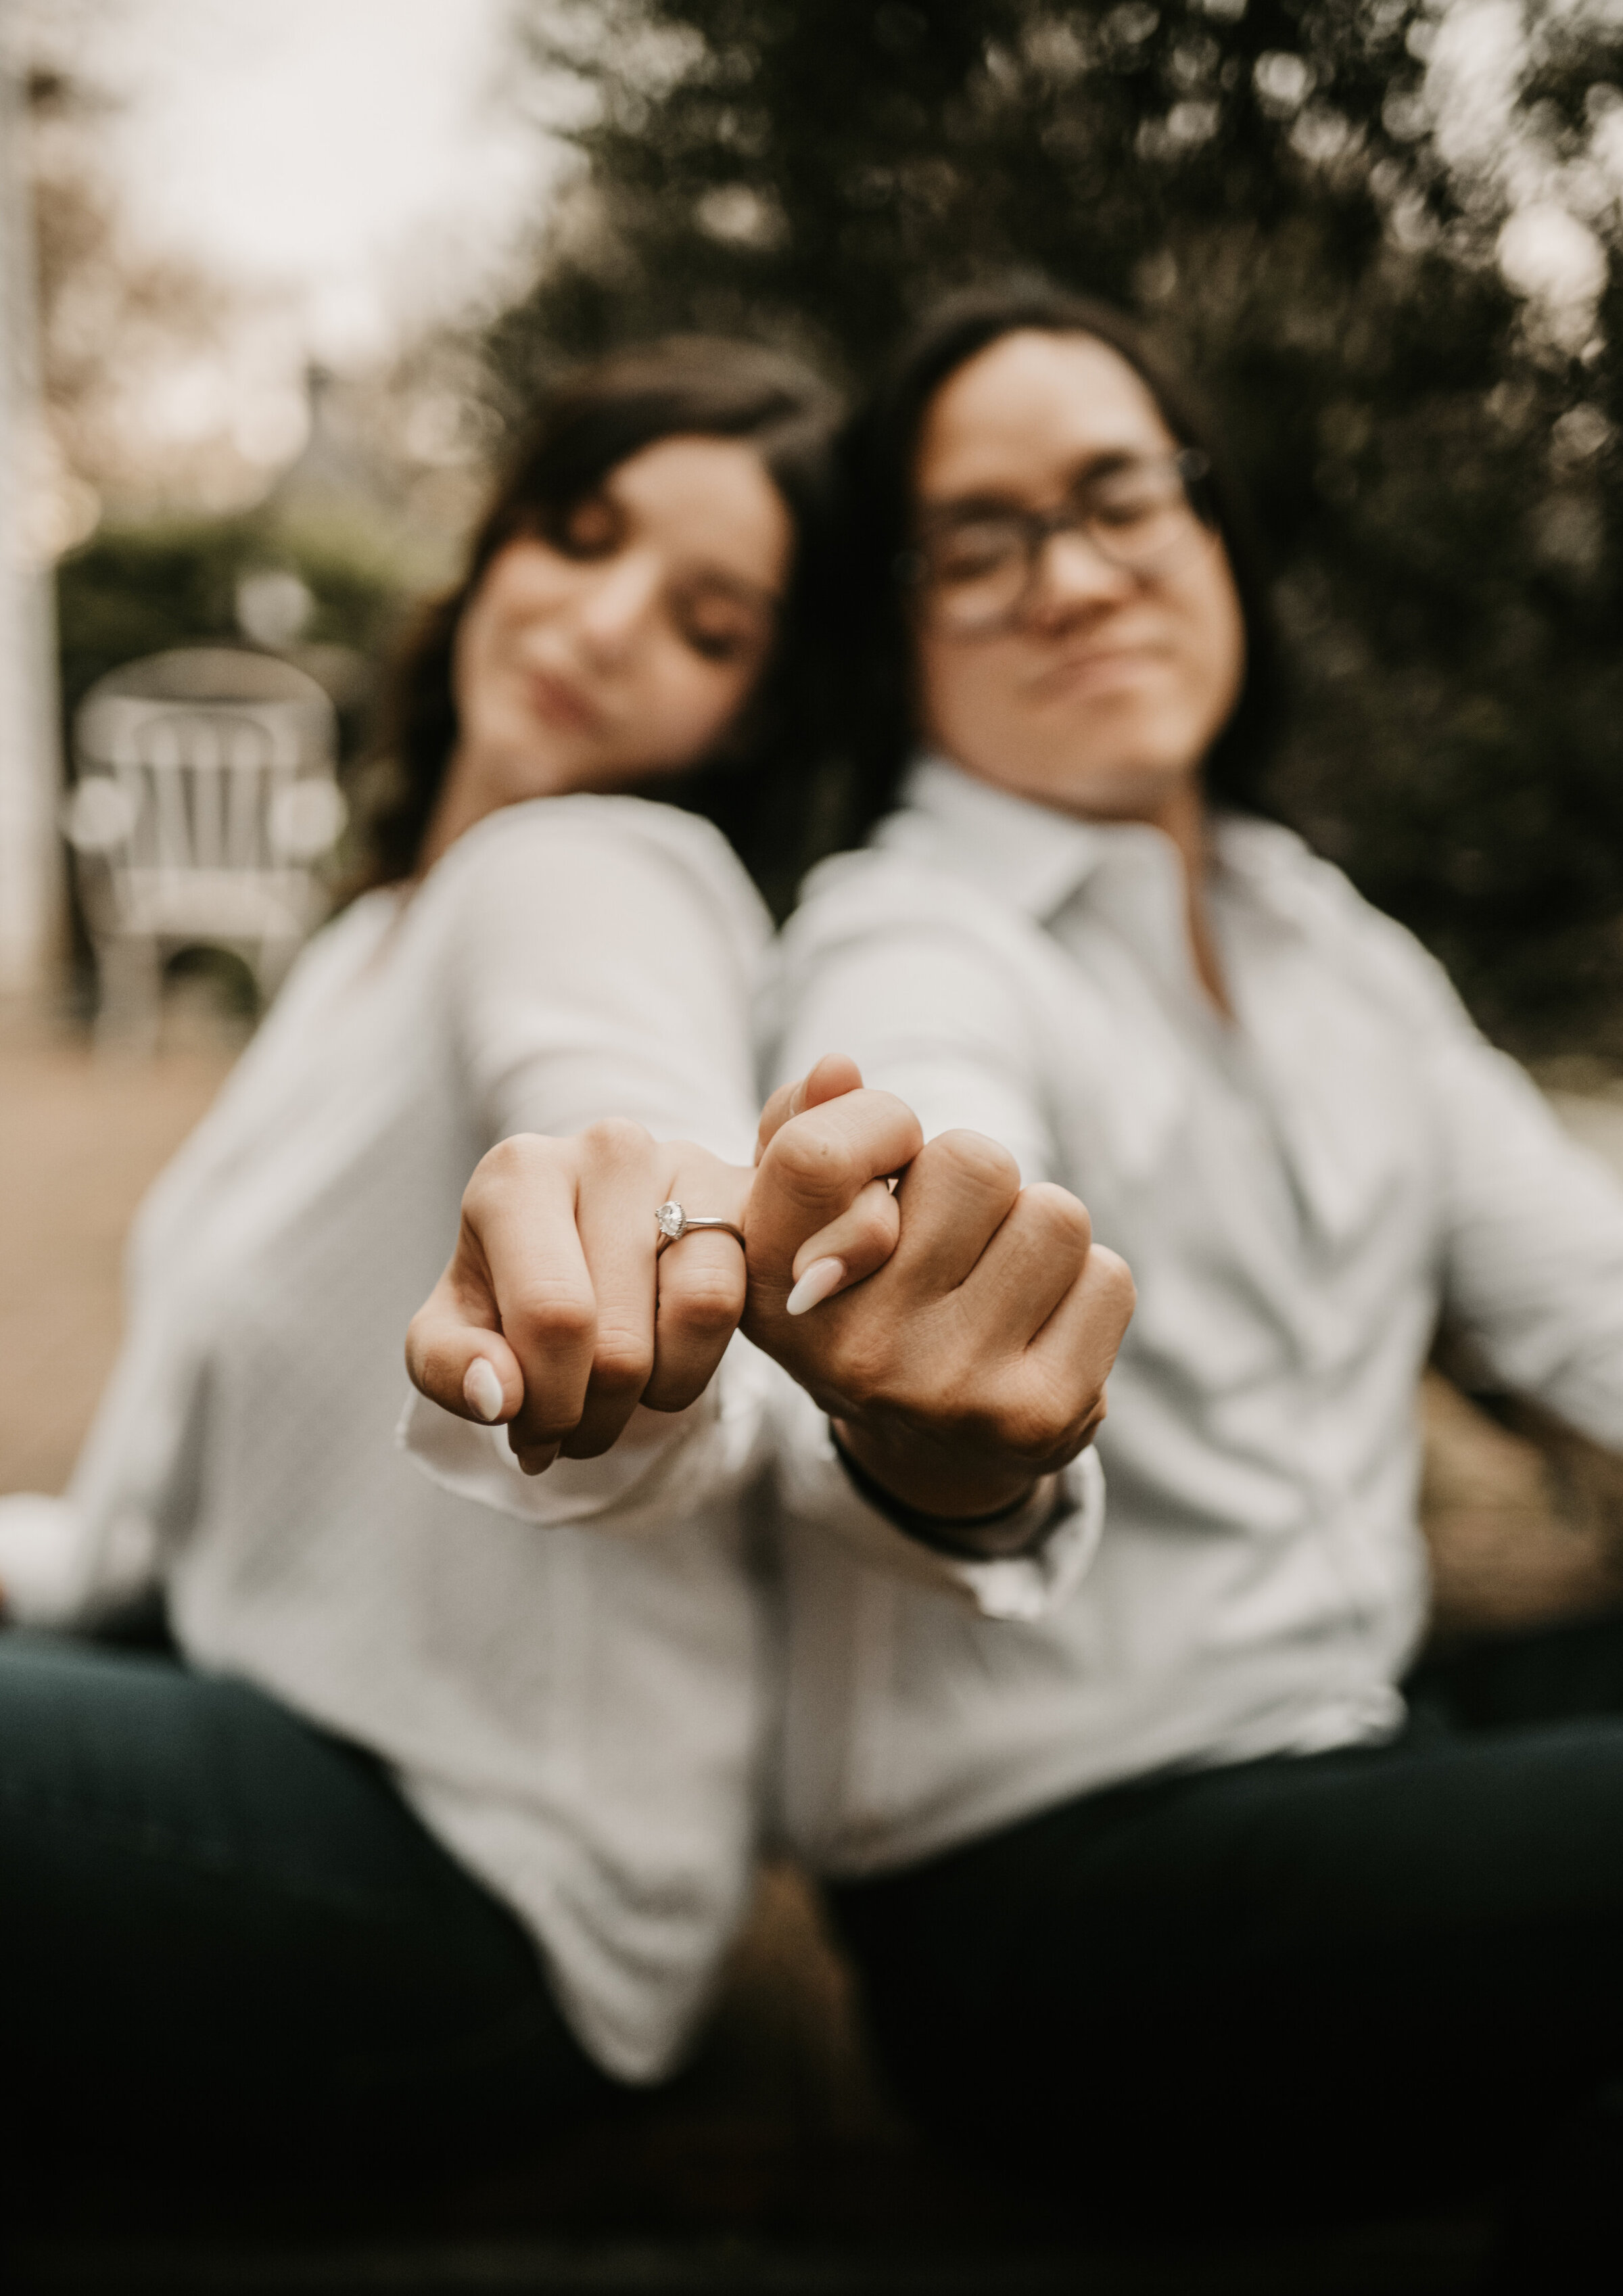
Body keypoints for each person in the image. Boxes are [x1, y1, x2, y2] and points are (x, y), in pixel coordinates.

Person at [757, 282, 1623, 2280]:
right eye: (980, 541)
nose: (1071, 576)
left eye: (1120, 496)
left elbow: (1580, 1305)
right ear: (900, 632)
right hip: (1068, 1901)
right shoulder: (913, 936)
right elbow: (931, 1193)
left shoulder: (1328, 941)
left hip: (1367, 1756)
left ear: (1212, 532)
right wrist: (937, 1377)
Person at [0, 336, 905, 2171]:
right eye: (580, 534)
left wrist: (647, 1272)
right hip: (265, 1727)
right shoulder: (361, 948)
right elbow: (141, 1526)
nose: (605, 616)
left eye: (710, 620)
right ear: (496, 548)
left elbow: (625, 1136)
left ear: (756, 709)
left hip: (494, 1884)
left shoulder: (597, 872)